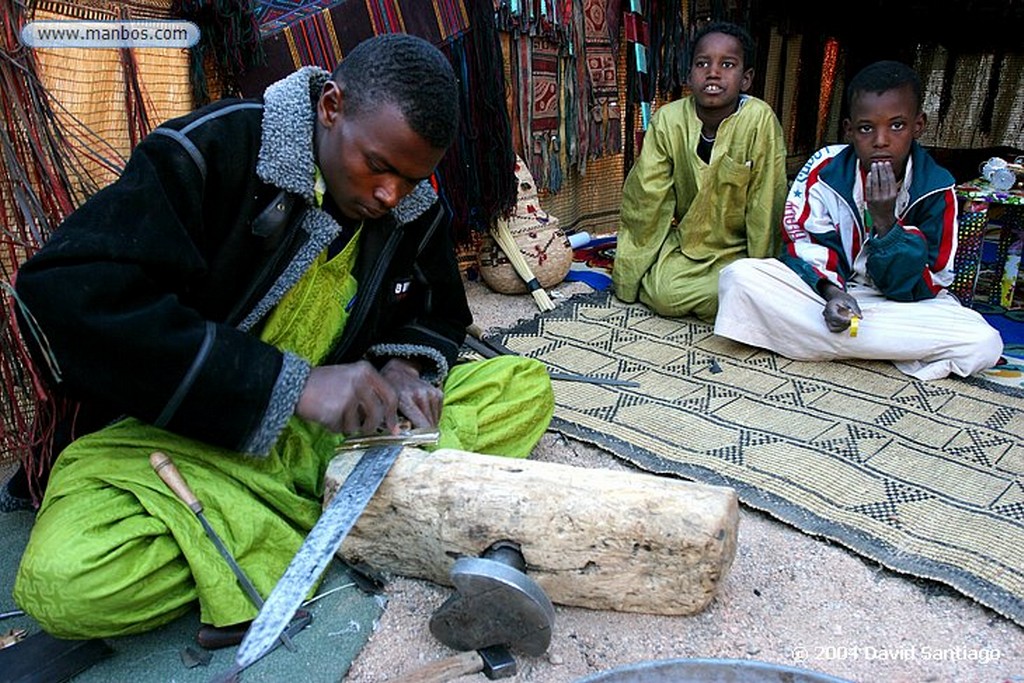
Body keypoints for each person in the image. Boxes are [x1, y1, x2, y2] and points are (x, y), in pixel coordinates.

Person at [8, 33, 554, 638]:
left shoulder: (408, 203)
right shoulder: (214, 151)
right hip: (187, 442)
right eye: (378, 166)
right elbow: (61, 295)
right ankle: (337, 514)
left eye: (412, 178)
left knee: (523, 384)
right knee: (68, 582)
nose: (389, 195)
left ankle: (295, 516)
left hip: (336, 439)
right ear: (330, 107)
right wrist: (287, 385)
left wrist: (405, 368)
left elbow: (439, 312)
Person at [715, 60, 1002, 380]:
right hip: (830, 298)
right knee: (739, 277)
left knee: (983, 343)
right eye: (867, 128)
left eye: (897, 125)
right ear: (849, 130)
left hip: (903, 307)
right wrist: (833, 294)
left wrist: (887, 225)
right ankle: (878, 346)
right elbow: (803, 244)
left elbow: (930, 282)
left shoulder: (936, 186)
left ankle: (819, 343)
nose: (881, 140)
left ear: (918, 125)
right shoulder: (825, 170)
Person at [611, 21, 787, 322]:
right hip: (689, 246)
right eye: (702, 63)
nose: (713, 72)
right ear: (689, 74)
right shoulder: (668, 120)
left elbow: (765, 203)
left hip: (740, 252)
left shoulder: (759, 120)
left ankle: (745, 294)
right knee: (662, 294)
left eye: (727, 64)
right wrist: (628, 277)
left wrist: (761, 279)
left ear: (746, 79)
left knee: (744, 287)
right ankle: (728, 298)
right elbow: (647, 202)